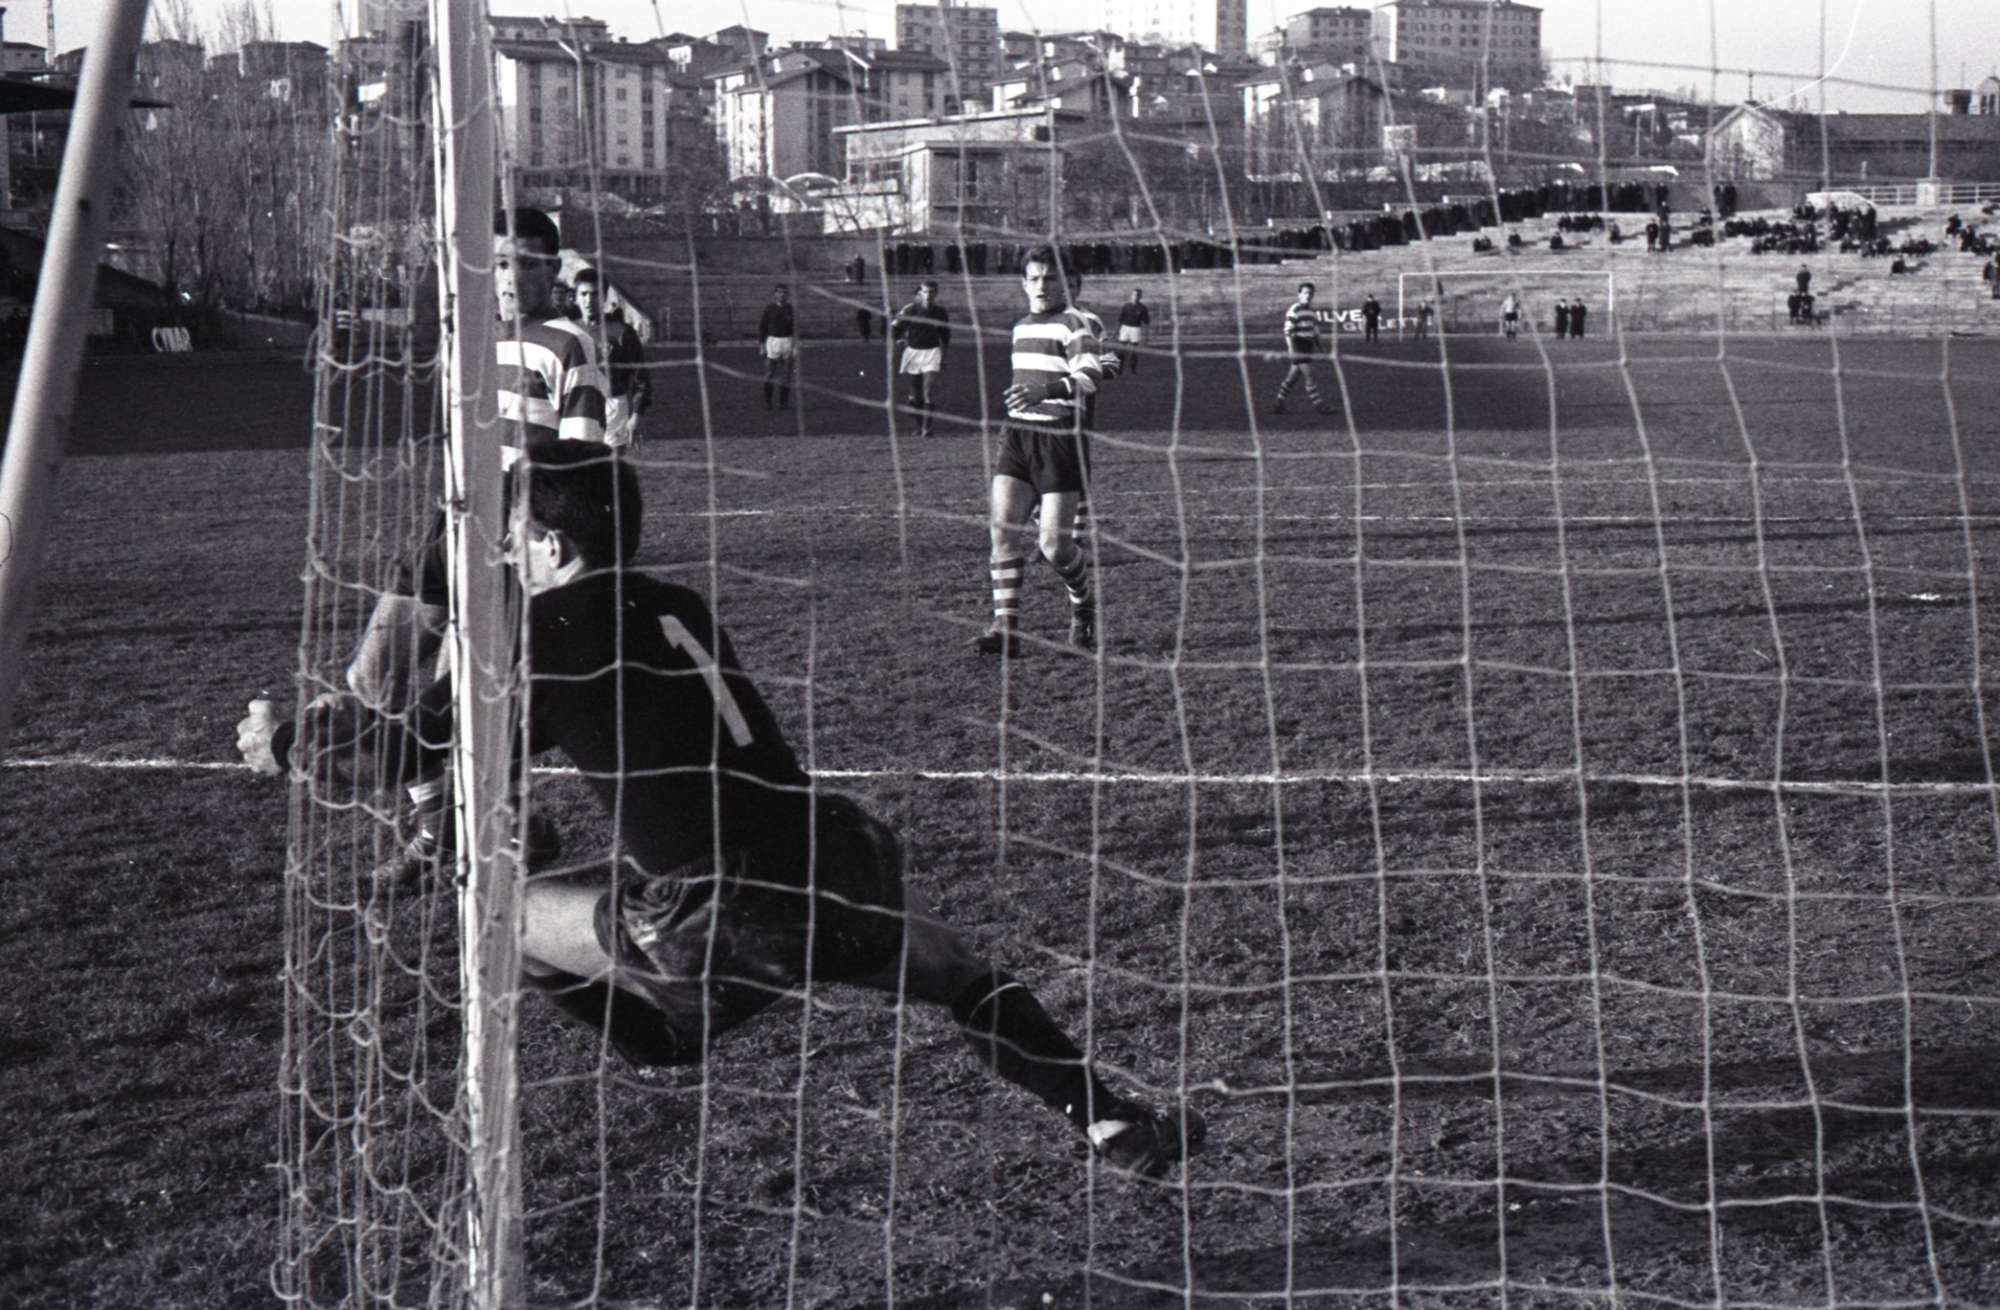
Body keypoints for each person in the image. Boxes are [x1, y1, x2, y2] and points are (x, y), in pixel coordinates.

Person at [236, 444, 1206, 1180]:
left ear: (551, 546)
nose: (503, 550)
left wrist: (286, 747)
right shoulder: (678, 605)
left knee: (500, 905)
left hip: (718, 912)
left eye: (513, 533)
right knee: (961, 973)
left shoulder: (545, 631)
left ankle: (660, 1036)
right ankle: (1111, 1120)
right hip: (838, 859)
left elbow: (409, 752)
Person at [339, 205, 607, 880]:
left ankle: (486, 831)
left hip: (512, 542)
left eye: (527, 262)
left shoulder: (569, 345)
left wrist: (539, 544)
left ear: (552, 267)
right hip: (449, 526)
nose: (511, 276)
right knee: (371, 676)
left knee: (457, 700)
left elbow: (583, 464)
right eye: (501, 261)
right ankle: (450, 826)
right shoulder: (469, 337)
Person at [973, 245, 1105, 656]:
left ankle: (1083, 606)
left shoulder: (1076, 324)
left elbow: (1090, 374)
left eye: (1049, 278)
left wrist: (1042, 391)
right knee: (1002, 531)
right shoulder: (1020, 326)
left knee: (1055, 547)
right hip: (1017, 435)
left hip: (1060, 438)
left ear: (1065, 284)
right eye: (1034, 278)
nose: (1041, 285)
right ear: (1024, 284)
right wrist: (1025, 398)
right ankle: (1006, 629)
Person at [572, 268, 650, 448]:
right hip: (576, 407)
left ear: (604, 296)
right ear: (575, 297)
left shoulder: (622, 332)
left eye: (594, 294)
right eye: (583, 294)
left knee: (610, 463)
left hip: (612, 407)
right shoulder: (569, 331)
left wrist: (635, 417)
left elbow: (641, 379)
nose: (589, 300)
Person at [891, 279, 950, 438]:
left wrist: (944, 357)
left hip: (932, 353)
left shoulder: (940, 313)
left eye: (931, 292)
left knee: (928, 391)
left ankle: (927, 428)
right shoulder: (910, 310)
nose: (928, 295)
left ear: (936, 293)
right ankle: (919, 425)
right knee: (916, 395)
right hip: (914, 353)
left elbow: (945, 336)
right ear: (920, 293)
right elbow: (894, 327)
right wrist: (898, 339)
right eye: (925, 292)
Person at [1273, 282, 1334, 415]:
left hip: (1307, 345)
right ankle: (1320, 405)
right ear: (1299, 294)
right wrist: (1290, 348)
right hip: (1298, 344)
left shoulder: (1311, 312)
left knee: (1293, 376)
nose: (1308, 295)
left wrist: (1321, 347)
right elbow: (1287, 330)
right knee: (1309, 375)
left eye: (1310, 293)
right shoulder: (1295, 309)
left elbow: (1315, 331)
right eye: (1305, 293)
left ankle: (1279, 402)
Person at [758, 285, 796, 412]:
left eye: (785, 292)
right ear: (775, 294)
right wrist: (761, 345)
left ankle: (783, 403)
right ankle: (768, 403)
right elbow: (762, 327)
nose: (782, 295)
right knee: (770, 373)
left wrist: (795, 346)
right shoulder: (769, 309)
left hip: (787, 342)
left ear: (787, 295)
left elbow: (794, 328)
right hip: (773, 342)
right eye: (779, 292)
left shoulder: (790, 309)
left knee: (786, 375)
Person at [1115, 288, 1151, 374]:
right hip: (1125, 328)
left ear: (1140, 297)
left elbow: (1146, 322)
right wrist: (1117, 331)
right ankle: (1119, 369)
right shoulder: (1126, 306)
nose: (1136, 297)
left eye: (1138, 295)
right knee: (1121, 350)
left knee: (1133, 351)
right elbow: (1120, 319)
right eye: (1134, 295)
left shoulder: (1143, 308)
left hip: (1135, 329)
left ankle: (1133, 370)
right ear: (1131, 296)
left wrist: (1146, 336)